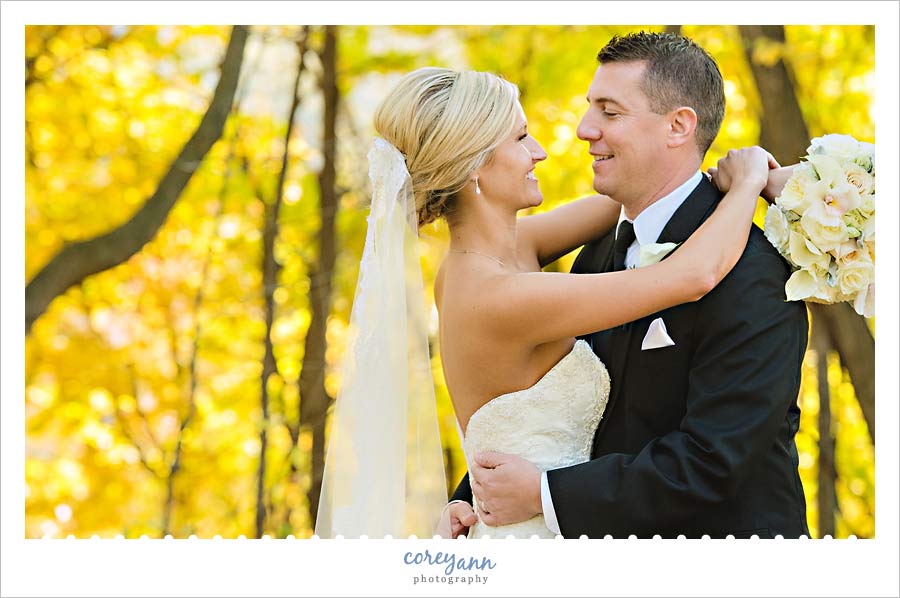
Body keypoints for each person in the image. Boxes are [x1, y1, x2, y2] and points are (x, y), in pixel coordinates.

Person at [315, 50, 785, 538]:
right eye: (521, 139)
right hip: (533, 531)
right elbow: (693, 274)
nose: (541, 150)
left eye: (610, 110)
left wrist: (782, 185)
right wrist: (749, 181)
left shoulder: (506, 252)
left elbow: (646, 196)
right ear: (474, 166)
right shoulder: (500, 296)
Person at [444, 31, 809, 539]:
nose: (581, 130)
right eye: (589, 108)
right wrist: (477, 494)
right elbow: (553, 408)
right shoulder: (597, 253)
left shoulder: (753, 271)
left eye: (609, 112)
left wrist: (543, 493)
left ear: (679, 126)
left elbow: (713, 461)